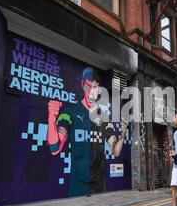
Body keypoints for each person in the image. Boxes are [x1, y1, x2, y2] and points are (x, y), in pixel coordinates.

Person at [47, 67, 128, 196]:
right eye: (87, 87)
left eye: (94, 88)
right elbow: (55, 147)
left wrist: (123, 135)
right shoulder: (70, 113)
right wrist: (51, 118)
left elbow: (115, 151)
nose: (91, 93)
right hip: (77, 189)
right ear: (82, 85)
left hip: (99, 188)